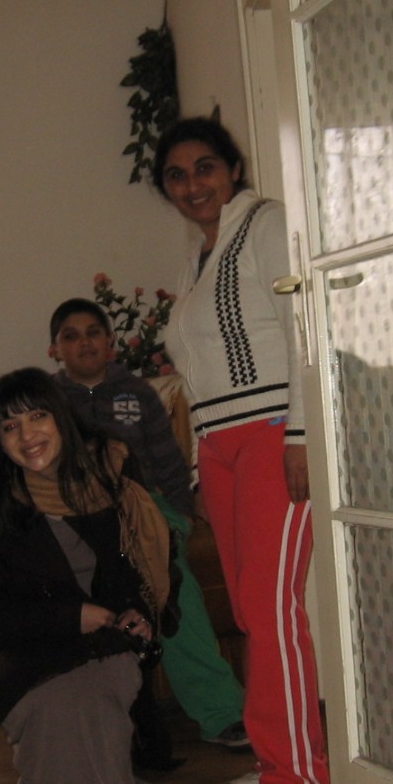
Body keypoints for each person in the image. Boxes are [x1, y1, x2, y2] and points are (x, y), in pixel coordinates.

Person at [153, 116, 332, 784]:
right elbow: (200, 375)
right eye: (176, 175)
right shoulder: (198, 257)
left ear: (232, 169)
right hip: (221, 447)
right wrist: (202, 465)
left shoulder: (266, 224)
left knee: (269, 609)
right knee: (254, 612)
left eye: (205, 167)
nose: (192, 184)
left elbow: (303, 328)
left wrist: (301, 434)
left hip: (269, 435)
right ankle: (277, 757)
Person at [0, 367, 174, 784]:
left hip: (102, 641)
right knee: (61, 706)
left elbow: (133, 570)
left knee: (96, 691)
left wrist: (136, 612)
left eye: (37, 416)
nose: (27, 435)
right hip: (21, 650)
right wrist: (69, 616)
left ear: (61, 418)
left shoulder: (106, 481)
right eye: (10, 426)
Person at [47, 297, 249, 750]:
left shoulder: (137, 393)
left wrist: (179, 516)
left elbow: (169, 464)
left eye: (93, 333)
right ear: (54, 349)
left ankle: (221, 713)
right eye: (71, 336)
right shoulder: (48, 402)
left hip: (145, 511)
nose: (84, 343)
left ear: (110, 341)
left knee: (172, 589)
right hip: (77, 516)